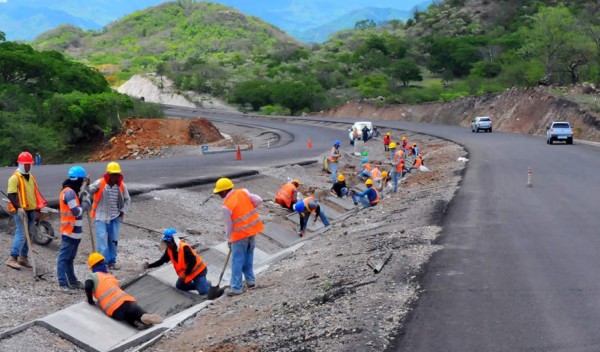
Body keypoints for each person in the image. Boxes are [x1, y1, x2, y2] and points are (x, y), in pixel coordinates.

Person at [85, 253, 163, 328]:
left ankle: (135, 323)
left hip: (112, 310)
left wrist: (90, 300)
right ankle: (144, 316)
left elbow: (88, 286)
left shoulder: (92, 276)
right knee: (135, 311)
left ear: (92, 267)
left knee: (125, 317)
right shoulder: (110, 277)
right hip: (125, 301)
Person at [214, 178, 263, 296]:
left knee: (237, 261)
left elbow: (228, 226)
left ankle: (236, 288)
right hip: (252, 231)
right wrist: (250, 207)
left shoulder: (226, 206)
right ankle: (250, 281)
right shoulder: (243, 192)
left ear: (225, 191)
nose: (219, 195)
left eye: (220, 192)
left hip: (239, 235)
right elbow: (259, 200)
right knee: (249, 256)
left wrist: (229, 240)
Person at [5, 151, 47, 270]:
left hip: (31, 210)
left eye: (29, 164)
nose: (28, 166)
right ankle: (12, 258)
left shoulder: (31, 177)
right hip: (21, 212)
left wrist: (38, 208)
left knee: (29, 234)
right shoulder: (14, 178)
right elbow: (11, 195)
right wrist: (18, 208)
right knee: (22, 234)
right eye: (26, 164)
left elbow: (35, 194)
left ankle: (23, 257)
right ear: (21, 164)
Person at [88, 161, 131, 270]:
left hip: (115, 217)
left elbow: (127, 199)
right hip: (101, 217)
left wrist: (123, 210)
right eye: (113, 174)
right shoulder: (100, 183)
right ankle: (102, 263)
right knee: (102, 240)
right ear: (108, 174)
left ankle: (112, 262)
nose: (115, 177)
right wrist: (88, 186)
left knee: (113, 240)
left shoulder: (121, 186)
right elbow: (90, 190)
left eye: (117, 175)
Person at [57, 166, 92, 293]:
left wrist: (86, 188)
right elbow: (76, 211)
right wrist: (86, 204)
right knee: (63, 258)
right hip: (69, 231)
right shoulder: (69, 193)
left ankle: (72, 281)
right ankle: (63, 283)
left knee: (70, 258)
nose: (82, 183)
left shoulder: (72, 191)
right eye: (82, 180)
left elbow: (78, 198)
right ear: (78, 180)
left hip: (74, 232)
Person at [145, 228, 210, 295]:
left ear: (174, 241)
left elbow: (193, 261)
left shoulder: (184, 248)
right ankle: (204, 285)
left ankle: (204, 286)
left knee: (203, 292)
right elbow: (161, 261)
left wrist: (185, 274)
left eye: (169, 242)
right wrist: (149, 266)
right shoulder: (169, 250)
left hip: (198, 271)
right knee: (180, 286)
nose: (168, 244)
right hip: (187, 273)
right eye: (166, 242)